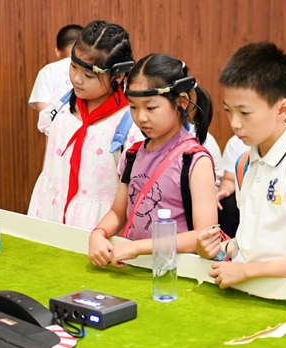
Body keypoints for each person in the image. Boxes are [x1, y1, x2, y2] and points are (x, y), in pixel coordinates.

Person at [195, 42, 286, 288]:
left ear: (282, 109)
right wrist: (218, 249)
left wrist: (247, 271)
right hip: (243, 293)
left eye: (244, 113)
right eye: (228, 111)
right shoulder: (243, 164)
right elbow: (248, 244)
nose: (235, 123)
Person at [88, 54, 217, 267]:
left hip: (174, 272)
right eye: (133, 107)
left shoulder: (195, 160)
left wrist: (138, 247)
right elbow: (118, 213)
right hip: (134, 267)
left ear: (181, 102)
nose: (141, 117)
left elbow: (204, 235)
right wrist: (98, 233)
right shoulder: (132, 155)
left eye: (150, 108)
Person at [27, 20, 143, 229]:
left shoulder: (128, 125)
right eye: (73, 67)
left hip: (97, 228)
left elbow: (131, 195)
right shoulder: (61, 103)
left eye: (89, 75)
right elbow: (51, 161)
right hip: (48, 214)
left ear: (118, 75)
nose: (77, 79)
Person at [28, 24, 83, 114]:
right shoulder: (93, 70)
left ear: (57, 52)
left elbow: (43, 109)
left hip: (55, 122)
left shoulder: (48, 71)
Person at [215, 135, 247, 238]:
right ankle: (226, 243)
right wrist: (224, 191)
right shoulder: (236, 142)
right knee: (225, 204)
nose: (236, 126)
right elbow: (230, 179)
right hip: (242, 196)